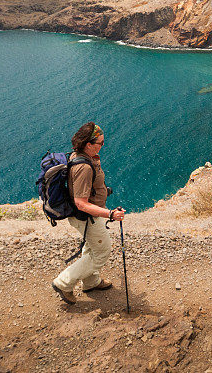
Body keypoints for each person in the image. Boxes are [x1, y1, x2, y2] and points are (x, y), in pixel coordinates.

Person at [51, 122, 125, 305]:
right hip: (87, 217)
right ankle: (63, 283)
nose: (102, 146)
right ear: (88, 144)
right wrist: (110, 214)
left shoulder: (83, 156)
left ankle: (91, 282)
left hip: (90, 216)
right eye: (100, 143)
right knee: (101, 252)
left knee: (92, 247)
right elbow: (81, 203)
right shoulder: (83, 167)